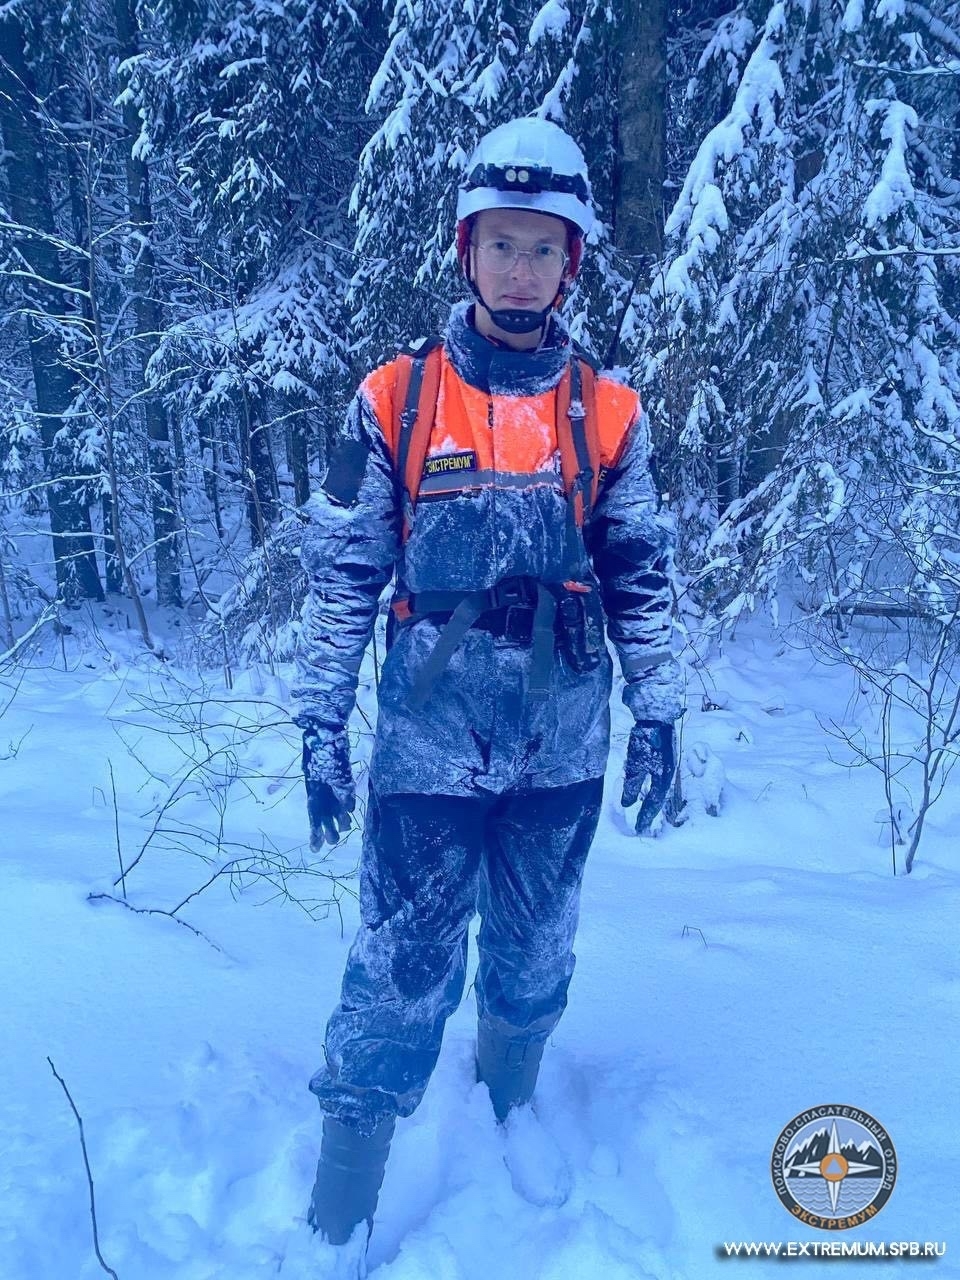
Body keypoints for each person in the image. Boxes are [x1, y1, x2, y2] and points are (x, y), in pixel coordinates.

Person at [291, 117, 683, 1267]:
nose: (521, 268)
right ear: (467, 250)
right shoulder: (398, 398)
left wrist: (661, 707)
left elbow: (640, 569)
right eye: (501, 243)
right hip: (428, 744)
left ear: (572, 261)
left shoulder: (609, 412)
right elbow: (343, 573)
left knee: (534, 948)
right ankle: (341, 1206)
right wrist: (320, 717)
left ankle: (509, 1102)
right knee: (400, 965)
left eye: (543, 247)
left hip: (561, 743)